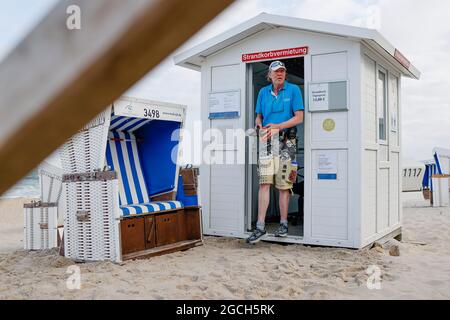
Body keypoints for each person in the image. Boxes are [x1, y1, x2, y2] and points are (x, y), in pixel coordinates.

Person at [246, 60, 304, 244]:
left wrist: (278, 126)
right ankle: (260, 227)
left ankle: (284, 224)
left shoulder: (294, 90)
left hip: (288, 141)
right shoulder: (263, 92)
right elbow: (259, 115)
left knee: (284, 184)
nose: (280, 74)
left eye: (282, 71)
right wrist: (257, 122)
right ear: (269, 75)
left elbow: (299, 117)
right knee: (264, 183)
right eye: (276, 72)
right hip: (266, 140)